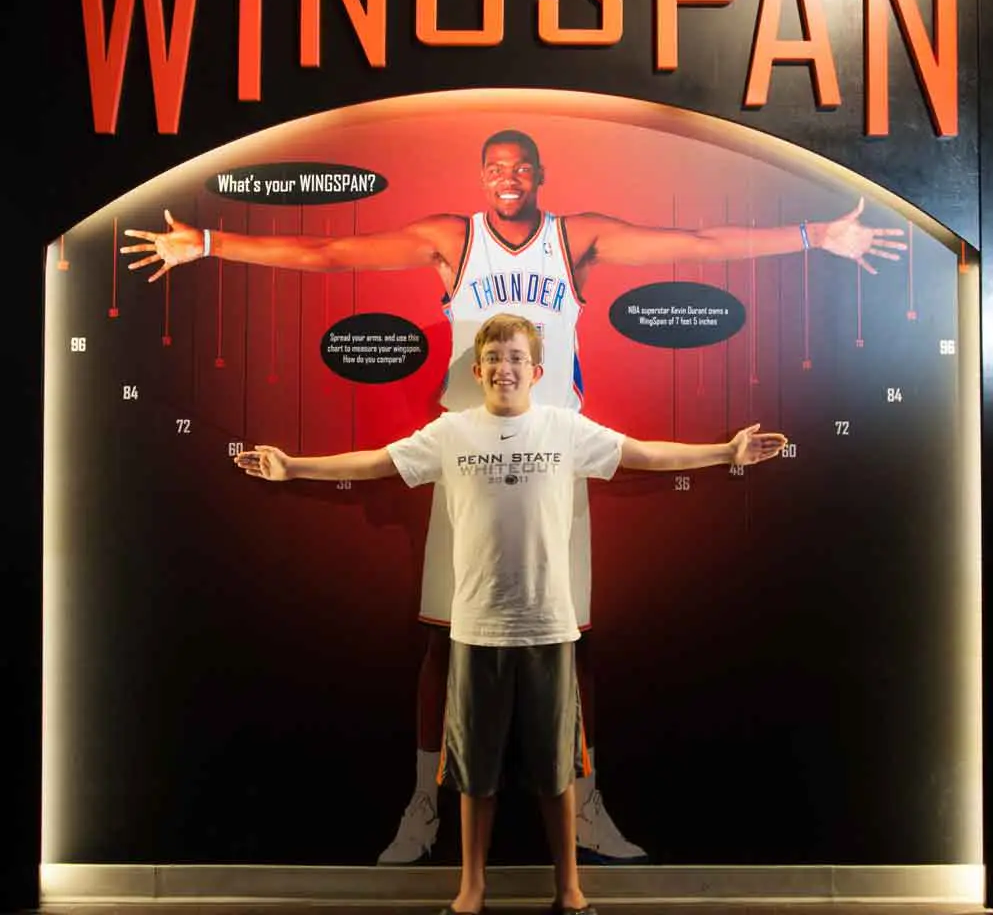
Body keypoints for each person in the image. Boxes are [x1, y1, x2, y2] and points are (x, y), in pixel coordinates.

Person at [123, 129, 904, 863]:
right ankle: (425, 803)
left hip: (557, 454)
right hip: (464, 454)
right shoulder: (449, 238)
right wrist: (209, 243)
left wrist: (815, 236)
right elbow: (329, 252)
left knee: (574, 642)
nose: (508, 179)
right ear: (480, 178)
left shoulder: (576, 237)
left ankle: (585, 800)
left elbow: (696, 244)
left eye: (521, 167)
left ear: (541, 177)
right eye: (495, 167)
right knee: (444, 640)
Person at [233, 313, 789, 915]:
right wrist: (293, 466)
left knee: (557, 770)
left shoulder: (565, 428)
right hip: (474, 628)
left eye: (517, 357)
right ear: (477, 371)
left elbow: (644, 454)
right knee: (475, 772)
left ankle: (570, 891)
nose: (505, 367)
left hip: (552, 626)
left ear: (537, 370)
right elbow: (376, 462)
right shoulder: (451, 433)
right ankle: (470, 891)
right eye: (495, 357)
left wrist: (726, 452)